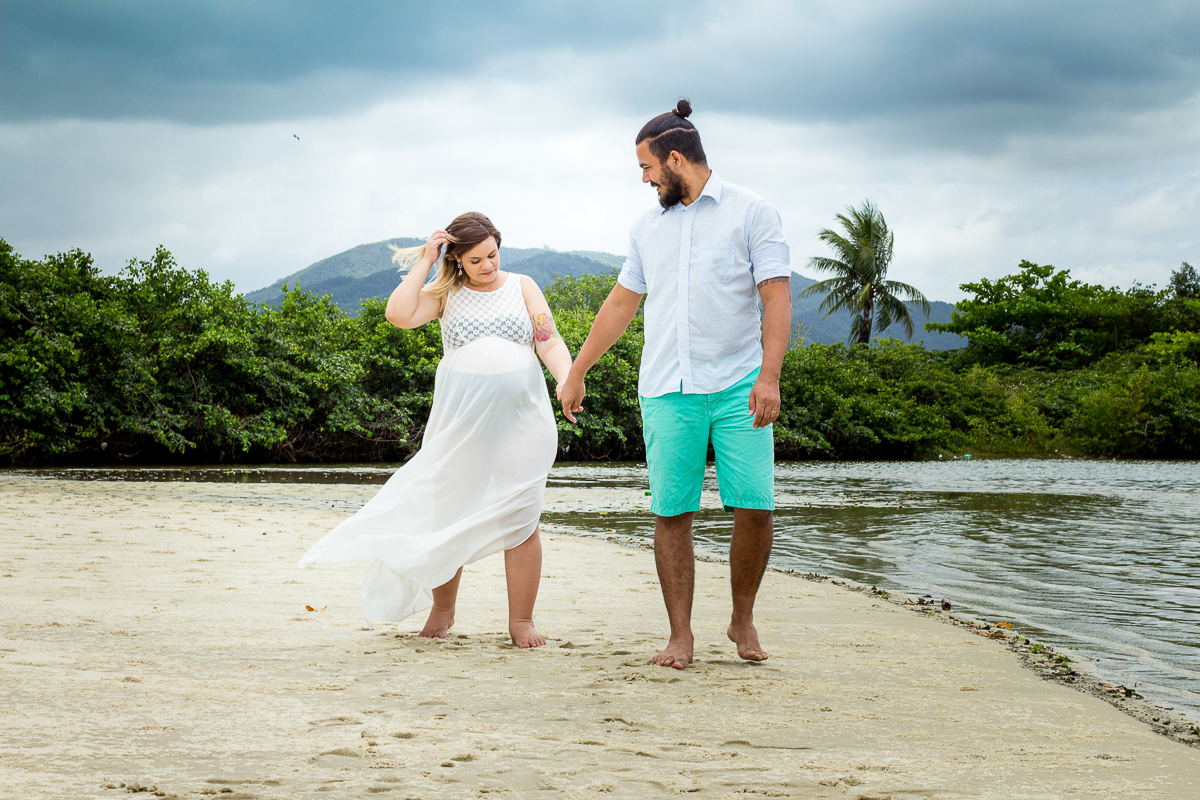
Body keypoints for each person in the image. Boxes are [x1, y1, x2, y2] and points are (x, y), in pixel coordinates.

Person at [559, 99, 793, 670]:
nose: (643, 180)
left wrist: (770, 377)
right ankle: (680, 634)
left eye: (646, 169)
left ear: (674, 158)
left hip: (740, 384)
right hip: (666, 387)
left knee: (754, 506)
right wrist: (577, 371)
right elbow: (620, 304)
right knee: (671, 511)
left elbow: (777, 296)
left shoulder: (752, 212)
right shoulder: (646, 227)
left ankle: (742, 615)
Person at [299, 212, 572, 649]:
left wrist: (564, 379)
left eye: (493, 255)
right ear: (458, 259)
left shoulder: (522, 286)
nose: (489, 265)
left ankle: (521, 620)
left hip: (522, 420)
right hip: (461, 424)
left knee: (521, 516)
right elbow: (398, 314)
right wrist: (426, 261)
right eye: (478, 259)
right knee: (449, 511)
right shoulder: (446, 292)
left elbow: (548, 340)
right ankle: (442, 611)